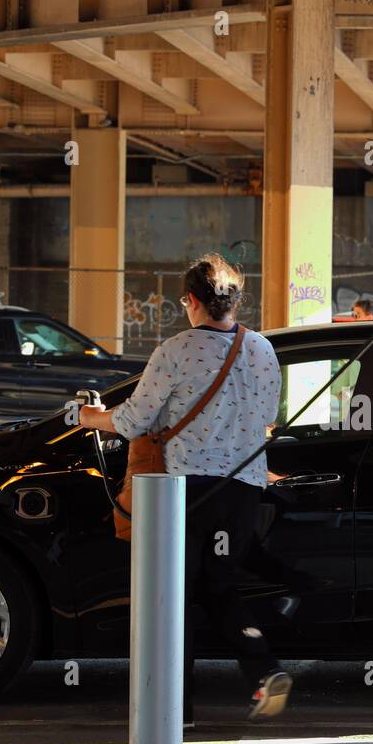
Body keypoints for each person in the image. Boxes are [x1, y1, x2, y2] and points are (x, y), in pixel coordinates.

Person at [79, 253, 289, 719]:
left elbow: (134, 421)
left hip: (186, 490)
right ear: (234, 301)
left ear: (192, 300)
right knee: (219, 587)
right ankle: (263, 669)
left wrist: (89, 416)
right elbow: (267, 417)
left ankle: (177, 709)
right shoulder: (263, 349)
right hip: (244, 489)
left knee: (173, 594)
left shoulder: (175, 350)